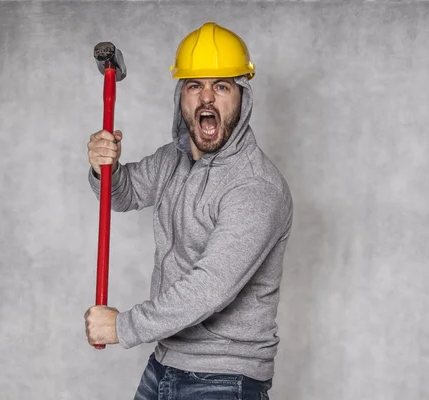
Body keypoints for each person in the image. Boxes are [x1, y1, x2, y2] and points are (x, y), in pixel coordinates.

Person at [84, 21, 293, 399]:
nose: (207, 99)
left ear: (243, 98)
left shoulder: (256, 187)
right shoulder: (173, 159)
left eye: (222, 86)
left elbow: (210, 287)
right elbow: (123, 194)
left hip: (224, 379)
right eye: (195, 85)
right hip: (165, 363)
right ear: (181, 96)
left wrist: (123, 326)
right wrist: (106, 167)